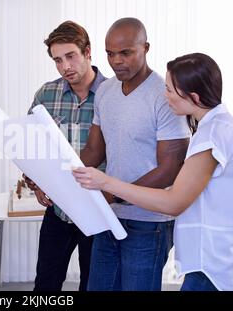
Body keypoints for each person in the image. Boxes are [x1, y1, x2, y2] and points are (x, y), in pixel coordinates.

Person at [73, 52, 233, 291]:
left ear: (194, 97)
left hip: (214, 266)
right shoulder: (216, 127)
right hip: (213, 261)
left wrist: (106, 183)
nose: (163, 94)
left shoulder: (213, 135)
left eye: (168, 89)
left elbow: (173, 202)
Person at [78, 18, 191, 291]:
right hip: (109, 215)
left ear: (145, 48)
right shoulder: (105, 91)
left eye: (125, 52)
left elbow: (171, 168)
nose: (116, 61)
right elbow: (94, 150)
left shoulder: (164, 94)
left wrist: (116, 193)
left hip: (149, 222)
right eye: (110, 53)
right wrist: (56, 174)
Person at [23, 20, 107, 291]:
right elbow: (28, 147)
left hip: (100, 212)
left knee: (93, 286)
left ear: (88, 52)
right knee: (45, 286)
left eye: (70, 56)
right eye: (57, 60)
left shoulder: (113, 94)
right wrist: (34, 182)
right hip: (58, 211)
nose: (65, 67)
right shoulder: (46, 94)